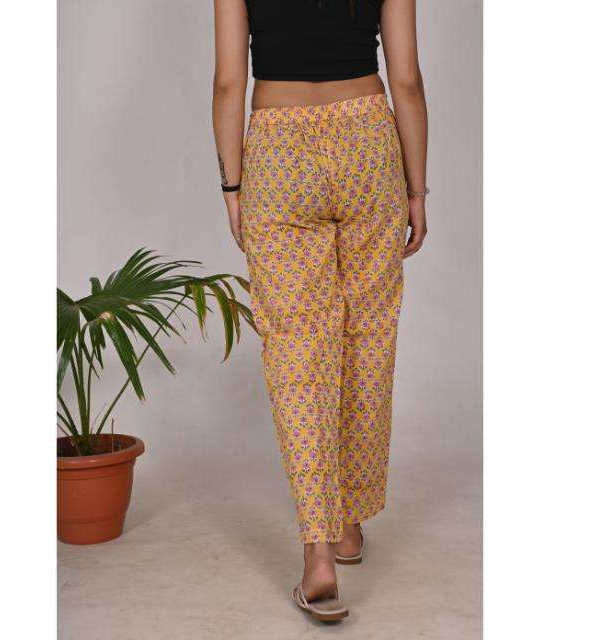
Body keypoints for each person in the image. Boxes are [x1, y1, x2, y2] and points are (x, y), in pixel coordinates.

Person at [212, 0, 427, 622]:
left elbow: (228, 82)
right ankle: (350, 522)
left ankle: (318, 552)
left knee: (296, 349)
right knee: (367, 337)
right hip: (368, 142)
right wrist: (416, 190)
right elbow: (407, 80)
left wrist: (233, 186)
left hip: (277, 150)